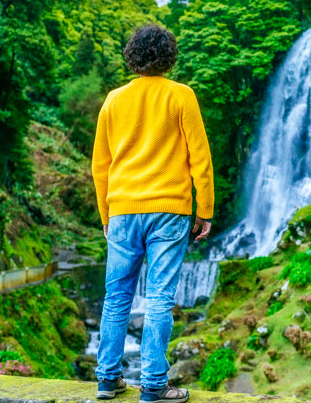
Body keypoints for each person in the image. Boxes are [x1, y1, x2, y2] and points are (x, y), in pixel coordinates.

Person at [91, 24, 214, 403]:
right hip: (170, 210)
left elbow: (101, 165)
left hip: (123, 209)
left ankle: (107, 380)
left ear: (132, 56)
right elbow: (200, 158)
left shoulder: (113, 100)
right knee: (159, 298)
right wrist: (204, 210)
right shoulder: (182, 96)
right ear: (169, 56)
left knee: (116, 297)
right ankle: (154, 386)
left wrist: (105, 214)